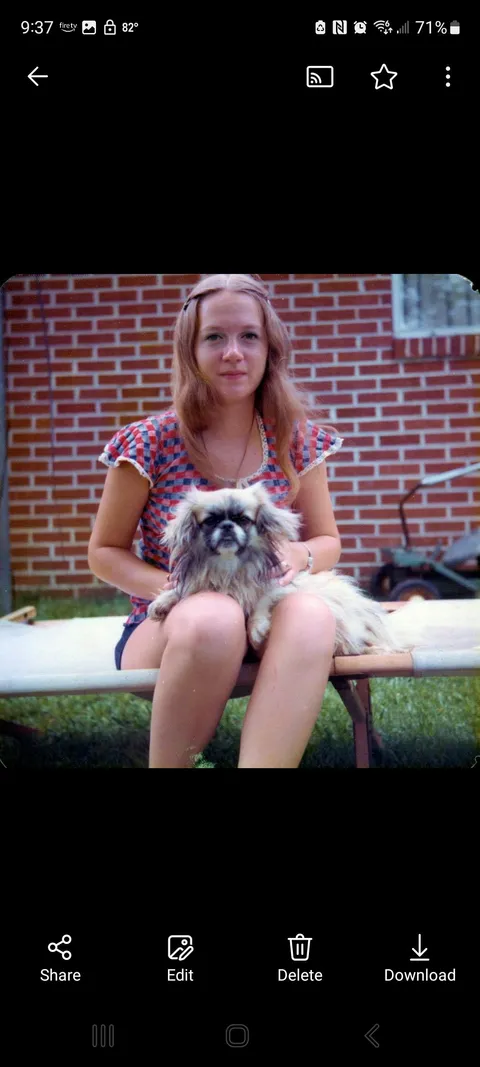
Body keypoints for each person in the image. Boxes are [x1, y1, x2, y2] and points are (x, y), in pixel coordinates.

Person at [88, 274, 344, 768]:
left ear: (270, 347)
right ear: (190, 349)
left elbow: (327, 539)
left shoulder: (297, 439)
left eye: (249, 335)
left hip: (268, 610)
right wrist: (182, 587)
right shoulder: (150, 442)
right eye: (215, 337)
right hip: (171, 627)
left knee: (312, 613)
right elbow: (103, 553)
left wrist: (300, 553)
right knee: (213, 613)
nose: (233, 352)